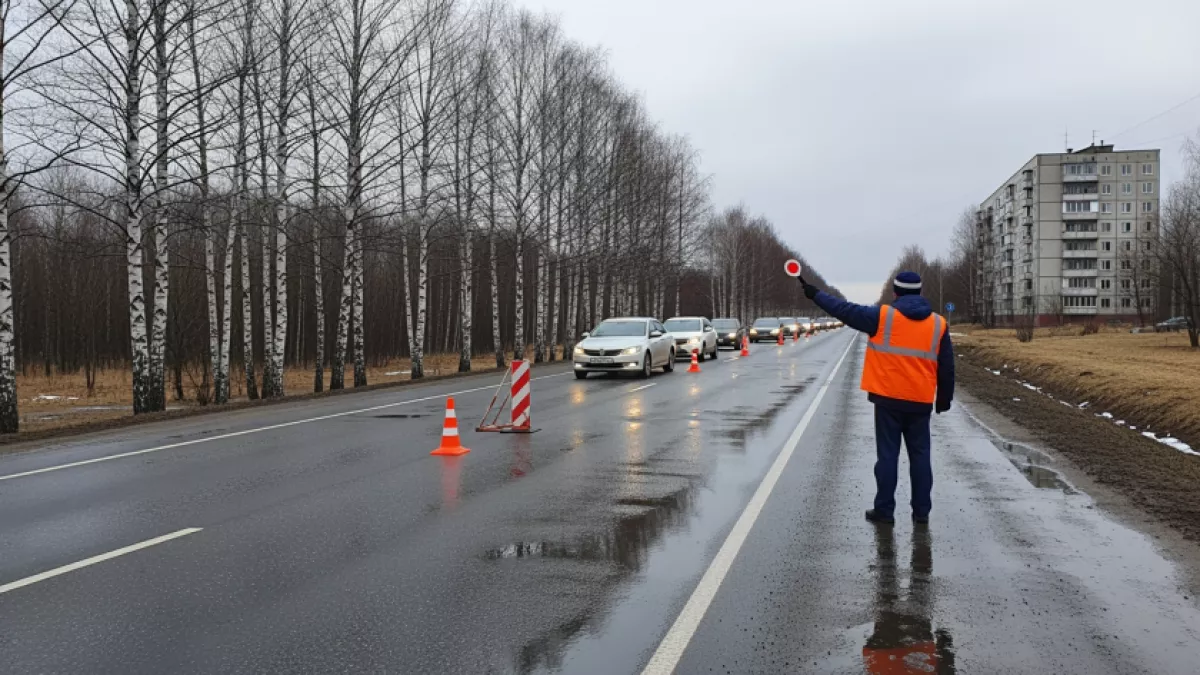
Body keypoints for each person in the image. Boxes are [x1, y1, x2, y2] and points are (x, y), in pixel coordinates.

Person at [802, 271, 954, 525]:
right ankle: (921, 512)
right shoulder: (938, 324)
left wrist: (816, 295)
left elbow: (844, 310)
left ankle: (884, 511)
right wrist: (944, 399)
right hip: (920, 401)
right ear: (920, 291)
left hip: (888, 400)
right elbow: (947, 366)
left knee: (887, 455)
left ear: (895, 292)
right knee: (920, 456)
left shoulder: (882, 317)